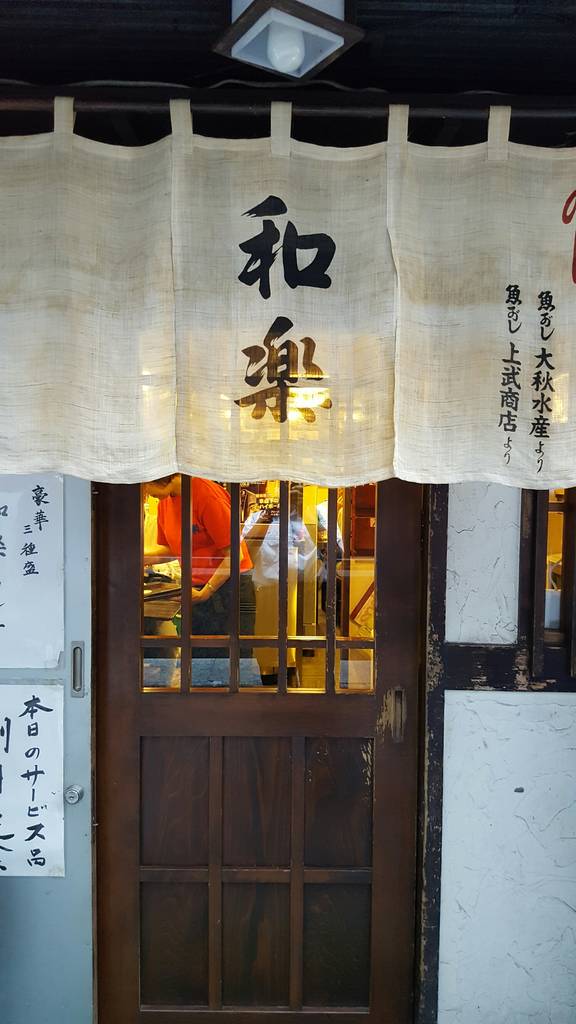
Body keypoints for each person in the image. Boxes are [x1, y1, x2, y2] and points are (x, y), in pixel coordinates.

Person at [145, 475, 256, 662]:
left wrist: (206, 592)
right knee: (199, 661)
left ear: (162, 477)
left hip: (228, 588)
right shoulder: (164, 502)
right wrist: (140, 557)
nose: (146, 492)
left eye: (146, 484)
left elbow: (235, 555)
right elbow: (173, 548)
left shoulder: (207, 495)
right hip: (197, 589)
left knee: (231, 662)